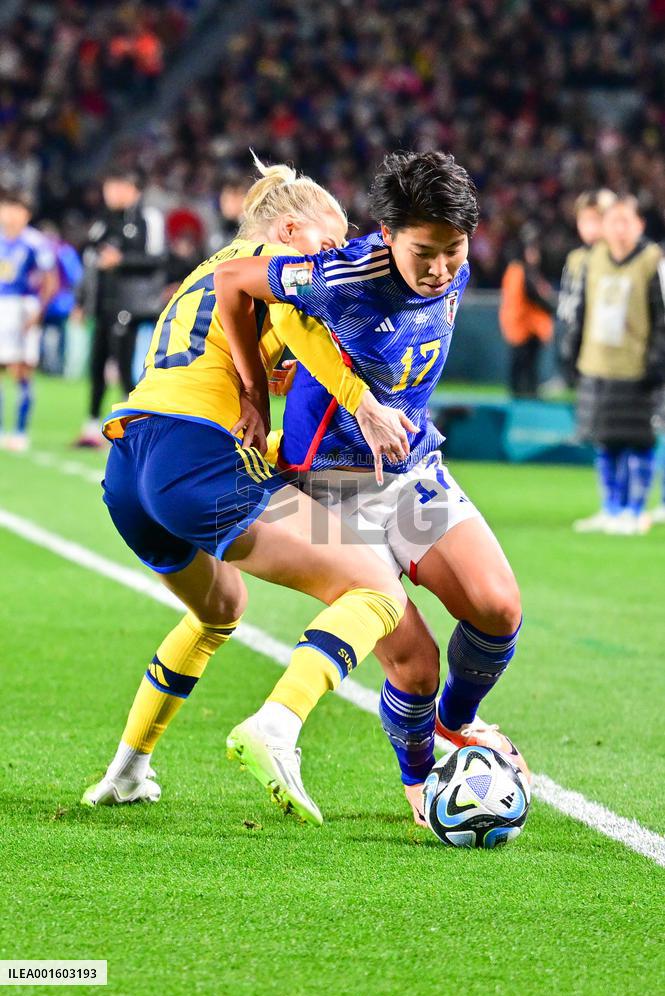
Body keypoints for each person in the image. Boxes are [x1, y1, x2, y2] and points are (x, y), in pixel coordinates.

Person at [82, 159, 420, 826]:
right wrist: (365, 404)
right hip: (194, 457)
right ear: (288, 229)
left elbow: (222, 355)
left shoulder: (205, 272)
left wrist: (265, 379)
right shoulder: (274, 264)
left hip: (131, 466)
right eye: (327, 242)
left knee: (219, 610)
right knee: (377, 590)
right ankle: (277, 723)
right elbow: (300, 327)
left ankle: (126, 772)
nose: (332, 257)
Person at [214, 151, 527, 828]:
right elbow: (233, 280)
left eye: (452, 251)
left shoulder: (454, 269)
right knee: (414, 664)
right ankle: (420, 779)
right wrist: (253, 395)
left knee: (498, 608)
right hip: (326, 489)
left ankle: (456, 725)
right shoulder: (343, 275)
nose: (440, 268)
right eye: (424, 253)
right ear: (387, 236)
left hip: (409, 474)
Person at [561, 195, 665, 534]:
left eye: (626, 221)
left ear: (639, 225)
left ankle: (634, 511)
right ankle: (610, 508)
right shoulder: (591, 260)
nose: (619, 228)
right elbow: (580, 311)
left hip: (637, 369)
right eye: (613, 221)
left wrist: (656, 360)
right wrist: (572, 352)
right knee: (605, 442)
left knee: (639, 442)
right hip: (596, 366)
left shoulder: (653, 261)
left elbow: (661, 318)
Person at [76, 167, 168, 447]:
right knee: (97, 366)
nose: (111, 193)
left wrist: (122, 260)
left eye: (117, 186)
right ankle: (92, 426)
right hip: (103, 305)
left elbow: (158, 258)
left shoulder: (148, 218)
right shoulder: (104, 220)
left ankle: (135, 428)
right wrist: (81, 301)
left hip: (132, 305)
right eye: (109, 186)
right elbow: (89, 259)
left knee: (126, 367)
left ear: (133, 189)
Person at [0, 189, 57, 451]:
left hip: (23, 306)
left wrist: (38, 312)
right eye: (6, 208)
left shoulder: (35, 242)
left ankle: (20, 431)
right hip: (2, 305)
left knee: (21, 369)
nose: (10, 215)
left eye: (16, 209)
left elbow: (50, 279)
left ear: (26, 214)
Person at [499, 238, 556, 398]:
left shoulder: (519, 271)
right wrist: (552, 306)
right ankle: (525, 392)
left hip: (524, 324)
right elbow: (534, 295)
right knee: (524, 363)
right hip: (524, 324)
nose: (535, 255)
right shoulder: (521, 272)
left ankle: (521, 392)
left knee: (523, 362)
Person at [557, 189, 617, 331]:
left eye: (596, 219)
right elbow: (565, 308)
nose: (590, 228)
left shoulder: (622, 257)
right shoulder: (575, 259)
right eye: (583, 220)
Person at [37, 220, 84, 376]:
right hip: (61, 300)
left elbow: (75, 277)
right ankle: (53, 366)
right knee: (55, 333)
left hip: (56, 301)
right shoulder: (65, 251)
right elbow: (77, 276)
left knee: (51, 333)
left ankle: (52, 367)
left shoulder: (55, 251)